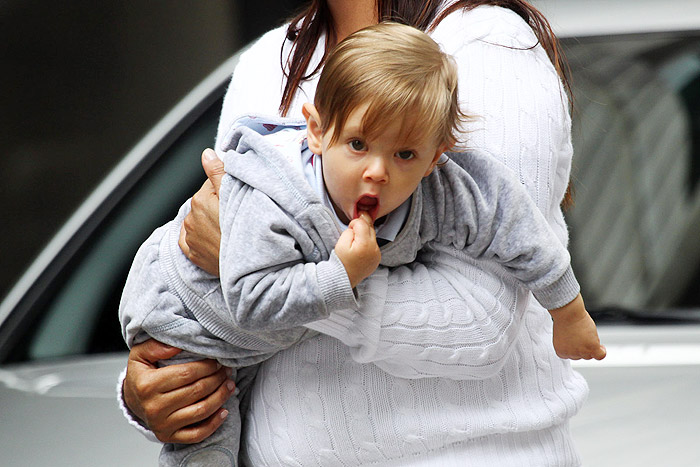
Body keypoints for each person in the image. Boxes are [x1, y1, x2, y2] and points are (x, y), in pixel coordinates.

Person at [120, 1, 603, 465]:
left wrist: (274, 270)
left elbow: (482, 321)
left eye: (404, 155)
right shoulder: (269, 62)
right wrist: (156, 395)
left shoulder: (483, 44)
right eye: (355, 144)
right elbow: (225, 314)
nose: (376, 172)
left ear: (437, 155)